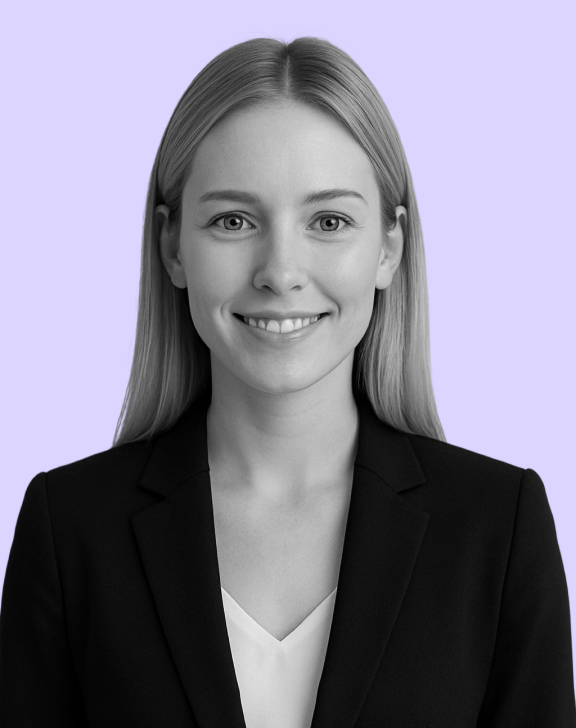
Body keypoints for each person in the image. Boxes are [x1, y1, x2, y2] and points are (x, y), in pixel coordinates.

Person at [0, 35, 574, 728]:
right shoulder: (70, 531)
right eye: (233, 220)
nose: (280, 271)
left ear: (388, 247)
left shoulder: (497, 530)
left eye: (328, 221)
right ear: (173, 245)